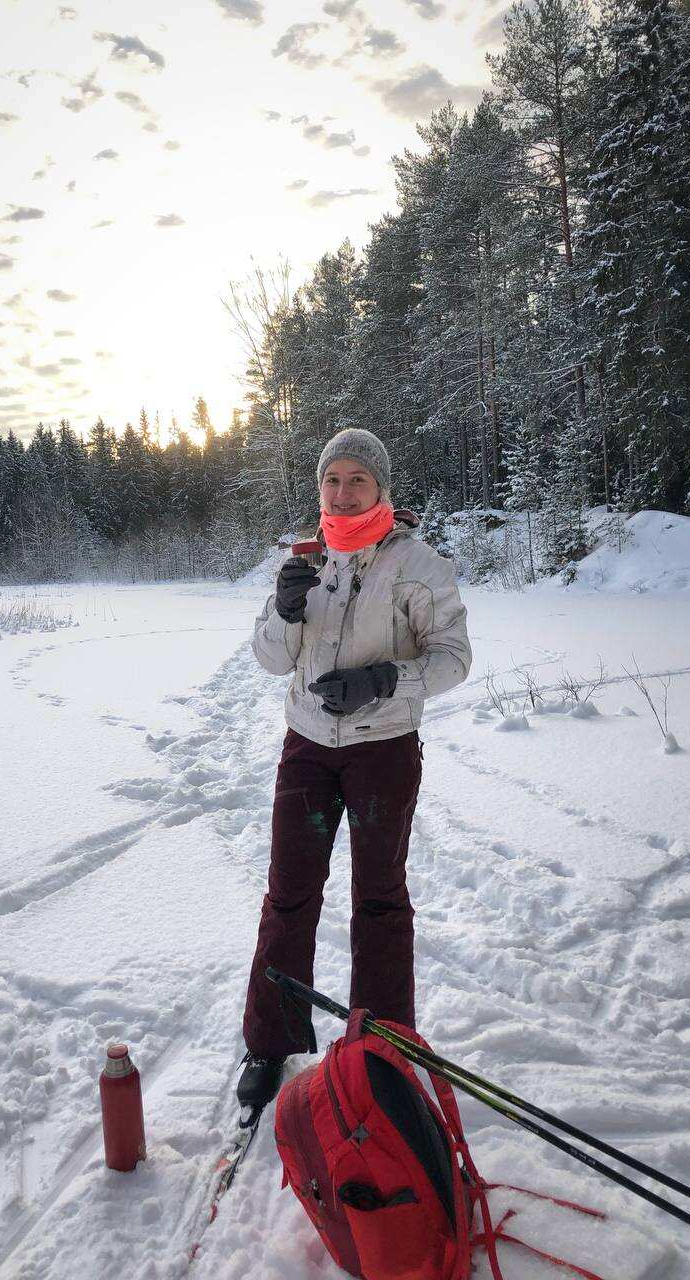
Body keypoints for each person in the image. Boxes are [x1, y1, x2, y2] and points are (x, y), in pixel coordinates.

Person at [238, 428, 472, 1109]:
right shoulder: (304, 561)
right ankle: (270, 1041)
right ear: (320, 488)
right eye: (332, 480)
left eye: (357, 480)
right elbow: (272, 659)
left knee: (379, 899)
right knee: (289, 894)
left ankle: (387, 1047)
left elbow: (452, 659)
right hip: (308, 747)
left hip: (384, 750)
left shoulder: (417, 563)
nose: (343, 492)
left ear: (381, 489)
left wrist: (381, 681)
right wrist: (284, 611)